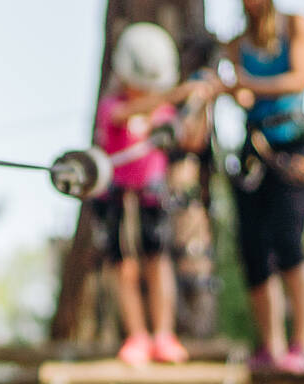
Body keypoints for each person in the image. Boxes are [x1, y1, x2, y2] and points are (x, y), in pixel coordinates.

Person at [94, 22, 211, 366]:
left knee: (157, 262)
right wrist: (177, 93)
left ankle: (163, 334)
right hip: (116, 196)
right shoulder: (112, 105)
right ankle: (137, 335)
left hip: (151, 195)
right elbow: (125, 114)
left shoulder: (164, 112)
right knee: (123, 268)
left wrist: (199, 103)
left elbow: (192, 140)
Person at [224, 0, 304, 373]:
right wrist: (229, 88)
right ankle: (272, 346)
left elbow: (297, 78)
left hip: (292, 148)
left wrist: (245, 82)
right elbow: (245, 98)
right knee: (253, 249)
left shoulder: (295, 26)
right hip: (254, 150)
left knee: (288, 241)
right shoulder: (236, 46)